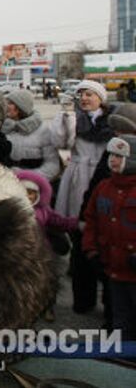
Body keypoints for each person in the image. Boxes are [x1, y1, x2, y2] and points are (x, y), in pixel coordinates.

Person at [82, 135, 136, 340]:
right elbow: (91, 220)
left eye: (120, 156)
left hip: (133, 270)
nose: (113, 160)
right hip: (113, 270)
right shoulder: (103, 187)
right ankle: (122, 358)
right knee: (119, 317)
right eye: (112, 155)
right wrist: (91, 250)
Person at [16, 169, 78, 321]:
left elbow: (59, 222)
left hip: (42, 254)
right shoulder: (12, 210)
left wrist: (78, 223)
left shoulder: (44, 211)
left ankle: (47, 307)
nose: (28, 196)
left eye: (32, 193)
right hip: (19, 254)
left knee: (47, 283)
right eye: (24, 192)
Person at [51, 80, 113, 218]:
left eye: (89, 94)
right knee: (77, 214)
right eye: (80, 95)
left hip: (106, 172)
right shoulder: (72, 116)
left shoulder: (112, 119)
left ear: (100, 98)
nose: (84, 98)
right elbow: (60, 143)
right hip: (78, 174)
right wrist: (67, 116)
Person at [3, 89, 60, 180]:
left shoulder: (43, 130)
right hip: (5, 183)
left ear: (20, 107)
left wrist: (28, 177)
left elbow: (52, 165)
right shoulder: (1, 129)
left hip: (34, 185)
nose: (6, 106)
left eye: (10, 103)